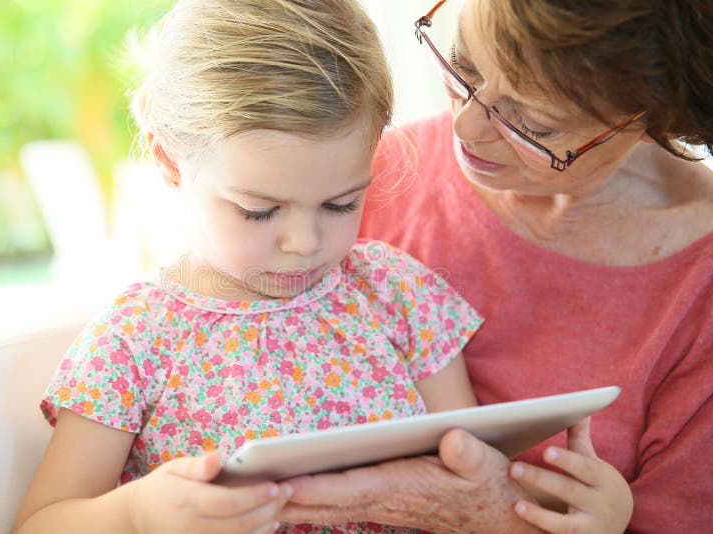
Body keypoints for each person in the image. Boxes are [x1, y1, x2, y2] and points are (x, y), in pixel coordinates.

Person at [12, 1, 483, 533]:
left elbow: (470, 473)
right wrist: (137, 515)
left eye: (342, 204)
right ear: (169, 160)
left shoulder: (394, 291)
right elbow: (40, 524)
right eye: (259, 210)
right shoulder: (135, 342)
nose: (305, 243)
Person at [278, 0, 713, 532]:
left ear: (656, 118)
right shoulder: (358, 177)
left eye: (530, 123)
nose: (466, 125)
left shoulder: (699, 291)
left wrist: (503, 519)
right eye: (463, 66)